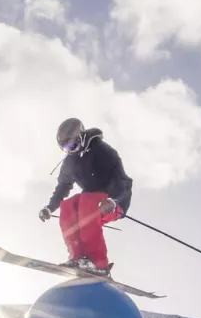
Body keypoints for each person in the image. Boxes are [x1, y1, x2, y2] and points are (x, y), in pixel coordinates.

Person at [39, 118, 133, 275]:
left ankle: (98, 262)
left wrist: (114, 200)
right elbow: (63, 186)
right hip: (89, 201)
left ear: (81, 137)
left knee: (86, 202)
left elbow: (121, 180)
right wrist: (50, 207)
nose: (71, 150)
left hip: (114, 200)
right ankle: (77, 257)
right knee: (69, 205)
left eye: (73, 145)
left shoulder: (102, 151)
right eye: (66, 148)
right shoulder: (71, 161)